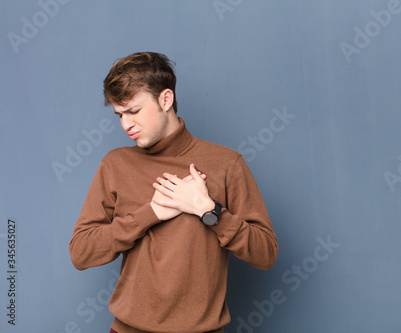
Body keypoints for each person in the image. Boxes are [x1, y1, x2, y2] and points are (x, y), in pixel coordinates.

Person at [69, 52, 278, 333]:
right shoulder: (115, 164)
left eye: (134, 111)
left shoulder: (226, 164)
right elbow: (81, 253)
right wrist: (150, 214)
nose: (125, 124)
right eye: (119, 115)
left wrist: (210, 211)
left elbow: (266, 254)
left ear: (165, 100)